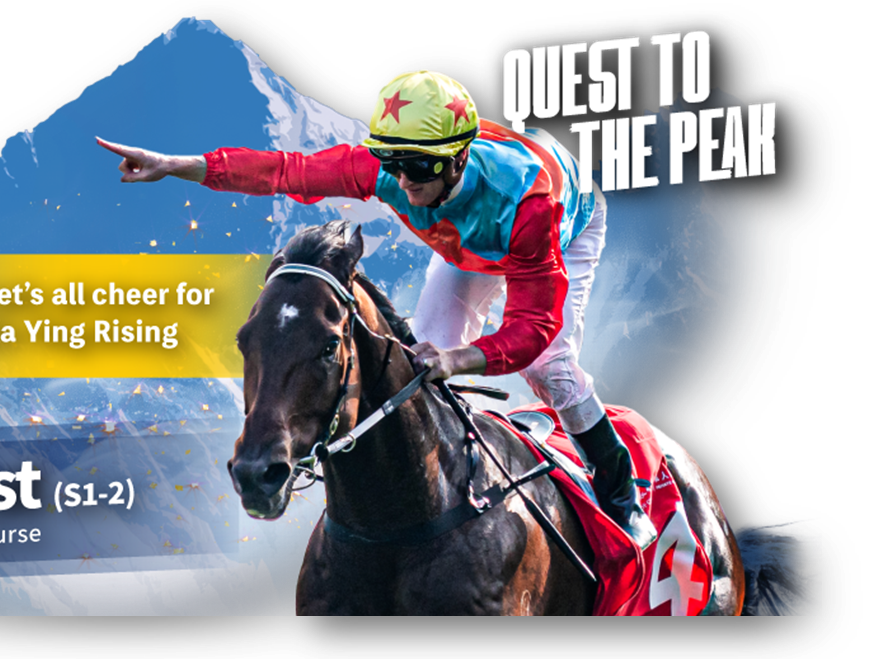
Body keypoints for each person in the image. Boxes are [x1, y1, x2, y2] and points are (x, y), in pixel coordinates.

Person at [96, 69, 657, 548]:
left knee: (548, 367)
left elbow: (533, 327)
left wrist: (461, 359)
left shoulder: (529, 206)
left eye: (417, 166)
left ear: (458, 159)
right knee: (421, 362)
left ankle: (620, 486)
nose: (403, 181)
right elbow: (285, 171)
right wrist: (178, 164)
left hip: (562, 228)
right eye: (392, 162)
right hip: (469, 236)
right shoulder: (387, 170)